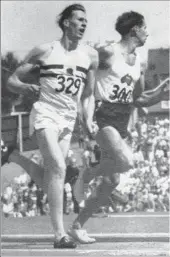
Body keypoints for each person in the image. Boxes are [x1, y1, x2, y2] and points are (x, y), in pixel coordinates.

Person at [67, 11, 169, 243]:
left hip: (122, 118)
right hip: (103, 115)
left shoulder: (137, 63)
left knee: (111, 182)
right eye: (144, 28)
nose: (147, 33)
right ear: (134, 29)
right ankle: (87, 173)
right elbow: (84, 68)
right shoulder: (109, 52)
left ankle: (77, 225)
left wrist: (163, 93)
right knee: (126, 161)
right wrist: (85, 111)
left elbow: (140, 99)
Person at [5, 4, 98, 248]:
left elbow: (88, 95)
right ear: (66, 23)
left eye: (86, 20)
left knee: (53, 176)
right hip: (45, 113)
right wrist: (26, 87)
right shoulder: (45, 51)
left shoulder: (90, 56)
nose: (84, 24)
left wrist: (87, 118)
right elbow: (12, 81)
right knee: (58, 166)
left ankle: (16, 157)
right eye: (79, 19)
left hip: (68, 119)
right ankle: (59, 235)